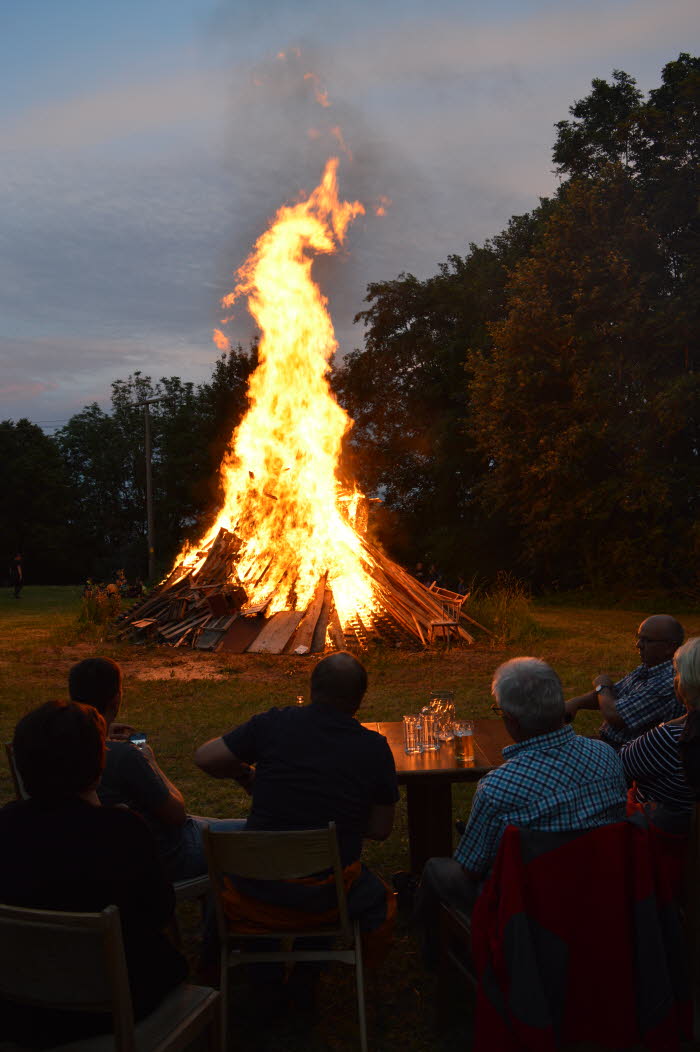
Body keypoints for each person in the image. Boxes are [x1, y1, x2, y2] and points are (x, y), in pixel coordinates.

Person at [416, 657, 627, 966]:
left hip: (526, 909)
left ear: (511, 720)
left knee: (436, 868)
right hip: (599, 893)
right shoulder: (607, 756)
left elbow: (470, 870)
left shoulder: (499, 787)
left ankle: (436, 962)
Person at [0, 700, 187, 1047]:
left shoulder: (6, 825)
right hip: (115, 1007)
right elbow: (160, 910)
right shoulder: (121, 832)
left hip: (19, 1008)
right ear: (97, 766)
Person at [194, 652, 399, 965]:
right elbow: (380, 829)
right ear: (359, 700)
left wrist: (245, 774)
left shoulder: (273, 724)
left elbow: (206, 757)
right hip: (327, 897)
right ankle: (313, 967)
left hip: (255, 891)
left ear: (312, 690)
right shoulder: (374, 747)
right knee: (375, 895)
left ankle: (262, 973)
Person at [68, 657, 241, 881]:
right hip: (169, 857)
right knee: (252, 832)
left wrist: (102, 731)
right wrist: (149, 759)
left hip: (96, 860)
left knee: (214, 824)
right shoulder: (125, 757)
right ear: (116, 698)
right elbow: (177, 814)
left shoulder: (60, 749)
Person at [565, 614, 685, 748]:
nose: (638, 645)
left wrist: (602, 685)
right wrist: (576, 702)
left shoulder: (668, 681)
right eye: (639, 638)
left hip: (626, 753)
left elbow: (615, 715)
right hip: (608, 743)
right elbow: (612, 694)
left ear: (669, 647)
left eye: (647, 640)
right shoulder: (649, 667)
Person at [620, 636, 700, 828]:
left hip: (662, 835)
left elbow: (620, 764)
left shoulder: (674, 737)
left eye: (678, 674)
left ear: (685, 685)